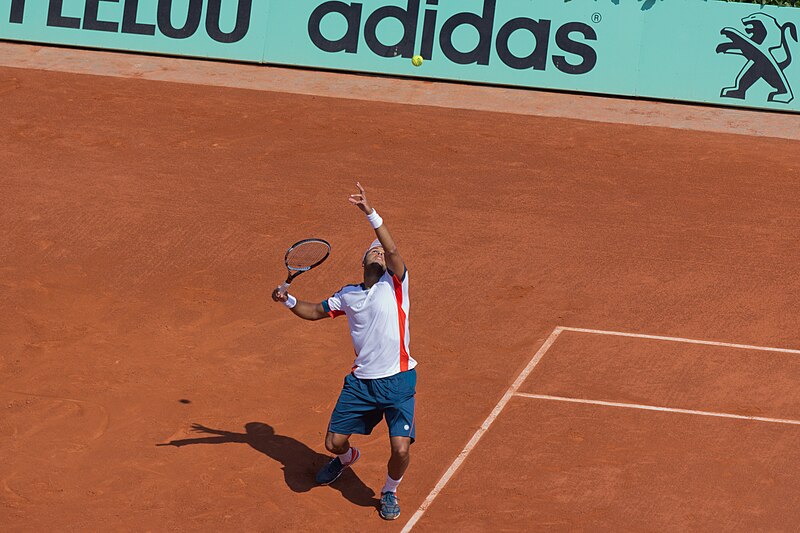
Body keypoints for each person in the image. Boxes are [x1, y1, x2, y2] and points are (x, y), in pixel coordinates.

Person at [272, 182, 417, 521]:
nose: (380, 254)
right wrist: (289, 300)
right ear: (364, 260)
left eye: (382, 252)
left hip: (398, 381)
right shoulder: (348, 295)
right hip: (362, 384)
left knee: (400, 447)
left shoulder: (396, 284)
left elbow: (392, 248)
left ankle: (389, 491)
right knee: (332, 444)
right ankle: (346, 459)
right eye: (374, 252)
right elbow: (315, 312)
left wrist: (371, 214)